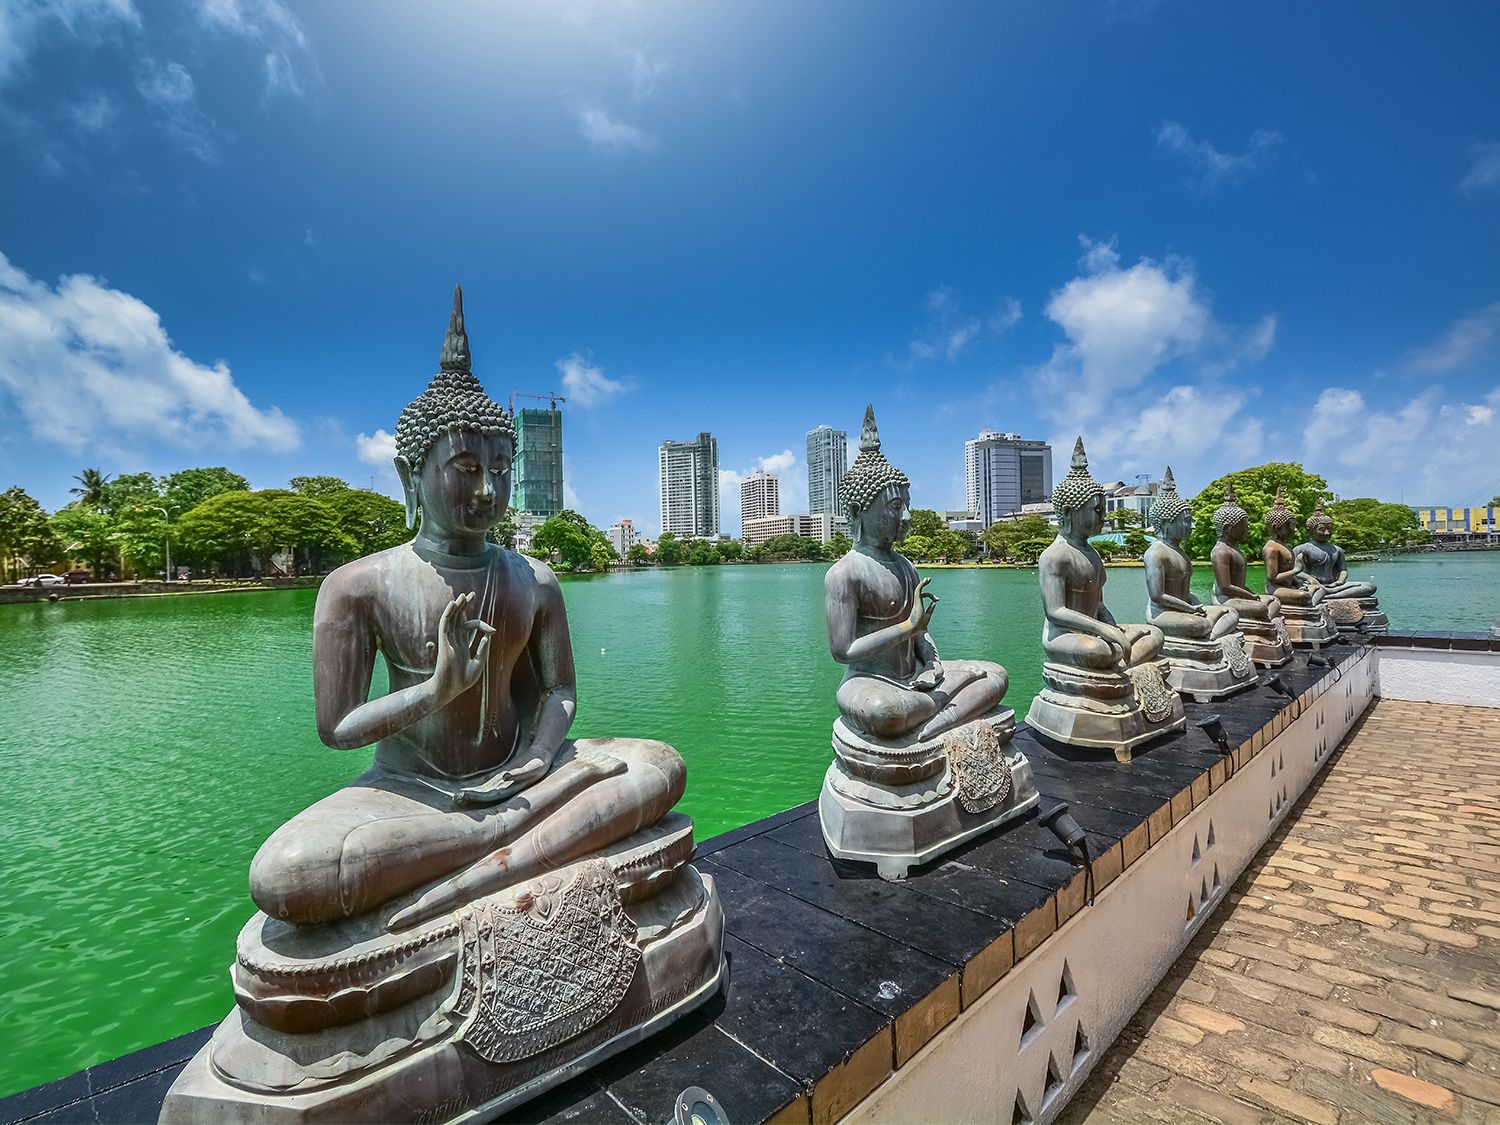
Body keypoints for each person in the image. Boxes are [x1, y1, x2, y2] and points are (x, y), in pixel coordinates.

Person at [248, 287, 685, 932]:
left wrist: (538, 757)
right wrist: (436, 691)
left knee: (660, 768)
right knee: (290, 873)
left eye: (502, 469)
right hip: (411, 796)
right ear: (410, 477)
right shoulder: (355, 586)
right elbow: (338, 725)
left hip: (523, 776)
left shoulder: (534, 579)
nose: (487, 487)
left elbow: (558, 692)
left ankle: (489, 845)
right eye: (464, 466)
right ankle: (507, 845)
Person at [824, 405, 1007, 743]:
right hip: (869, 682)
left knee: (996, 675)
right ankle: (945, 708)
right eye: (895, 508)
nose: (906, 517)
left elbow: (920, 636)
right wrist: (906, 627)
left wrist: (932, 664)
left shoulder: (905, 565)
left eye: (906, 506)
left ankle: (936, 712)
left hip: (916, 678)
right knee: (883, 712)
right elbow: (843, 650)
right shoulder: (845, 573)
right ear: (856, 511)